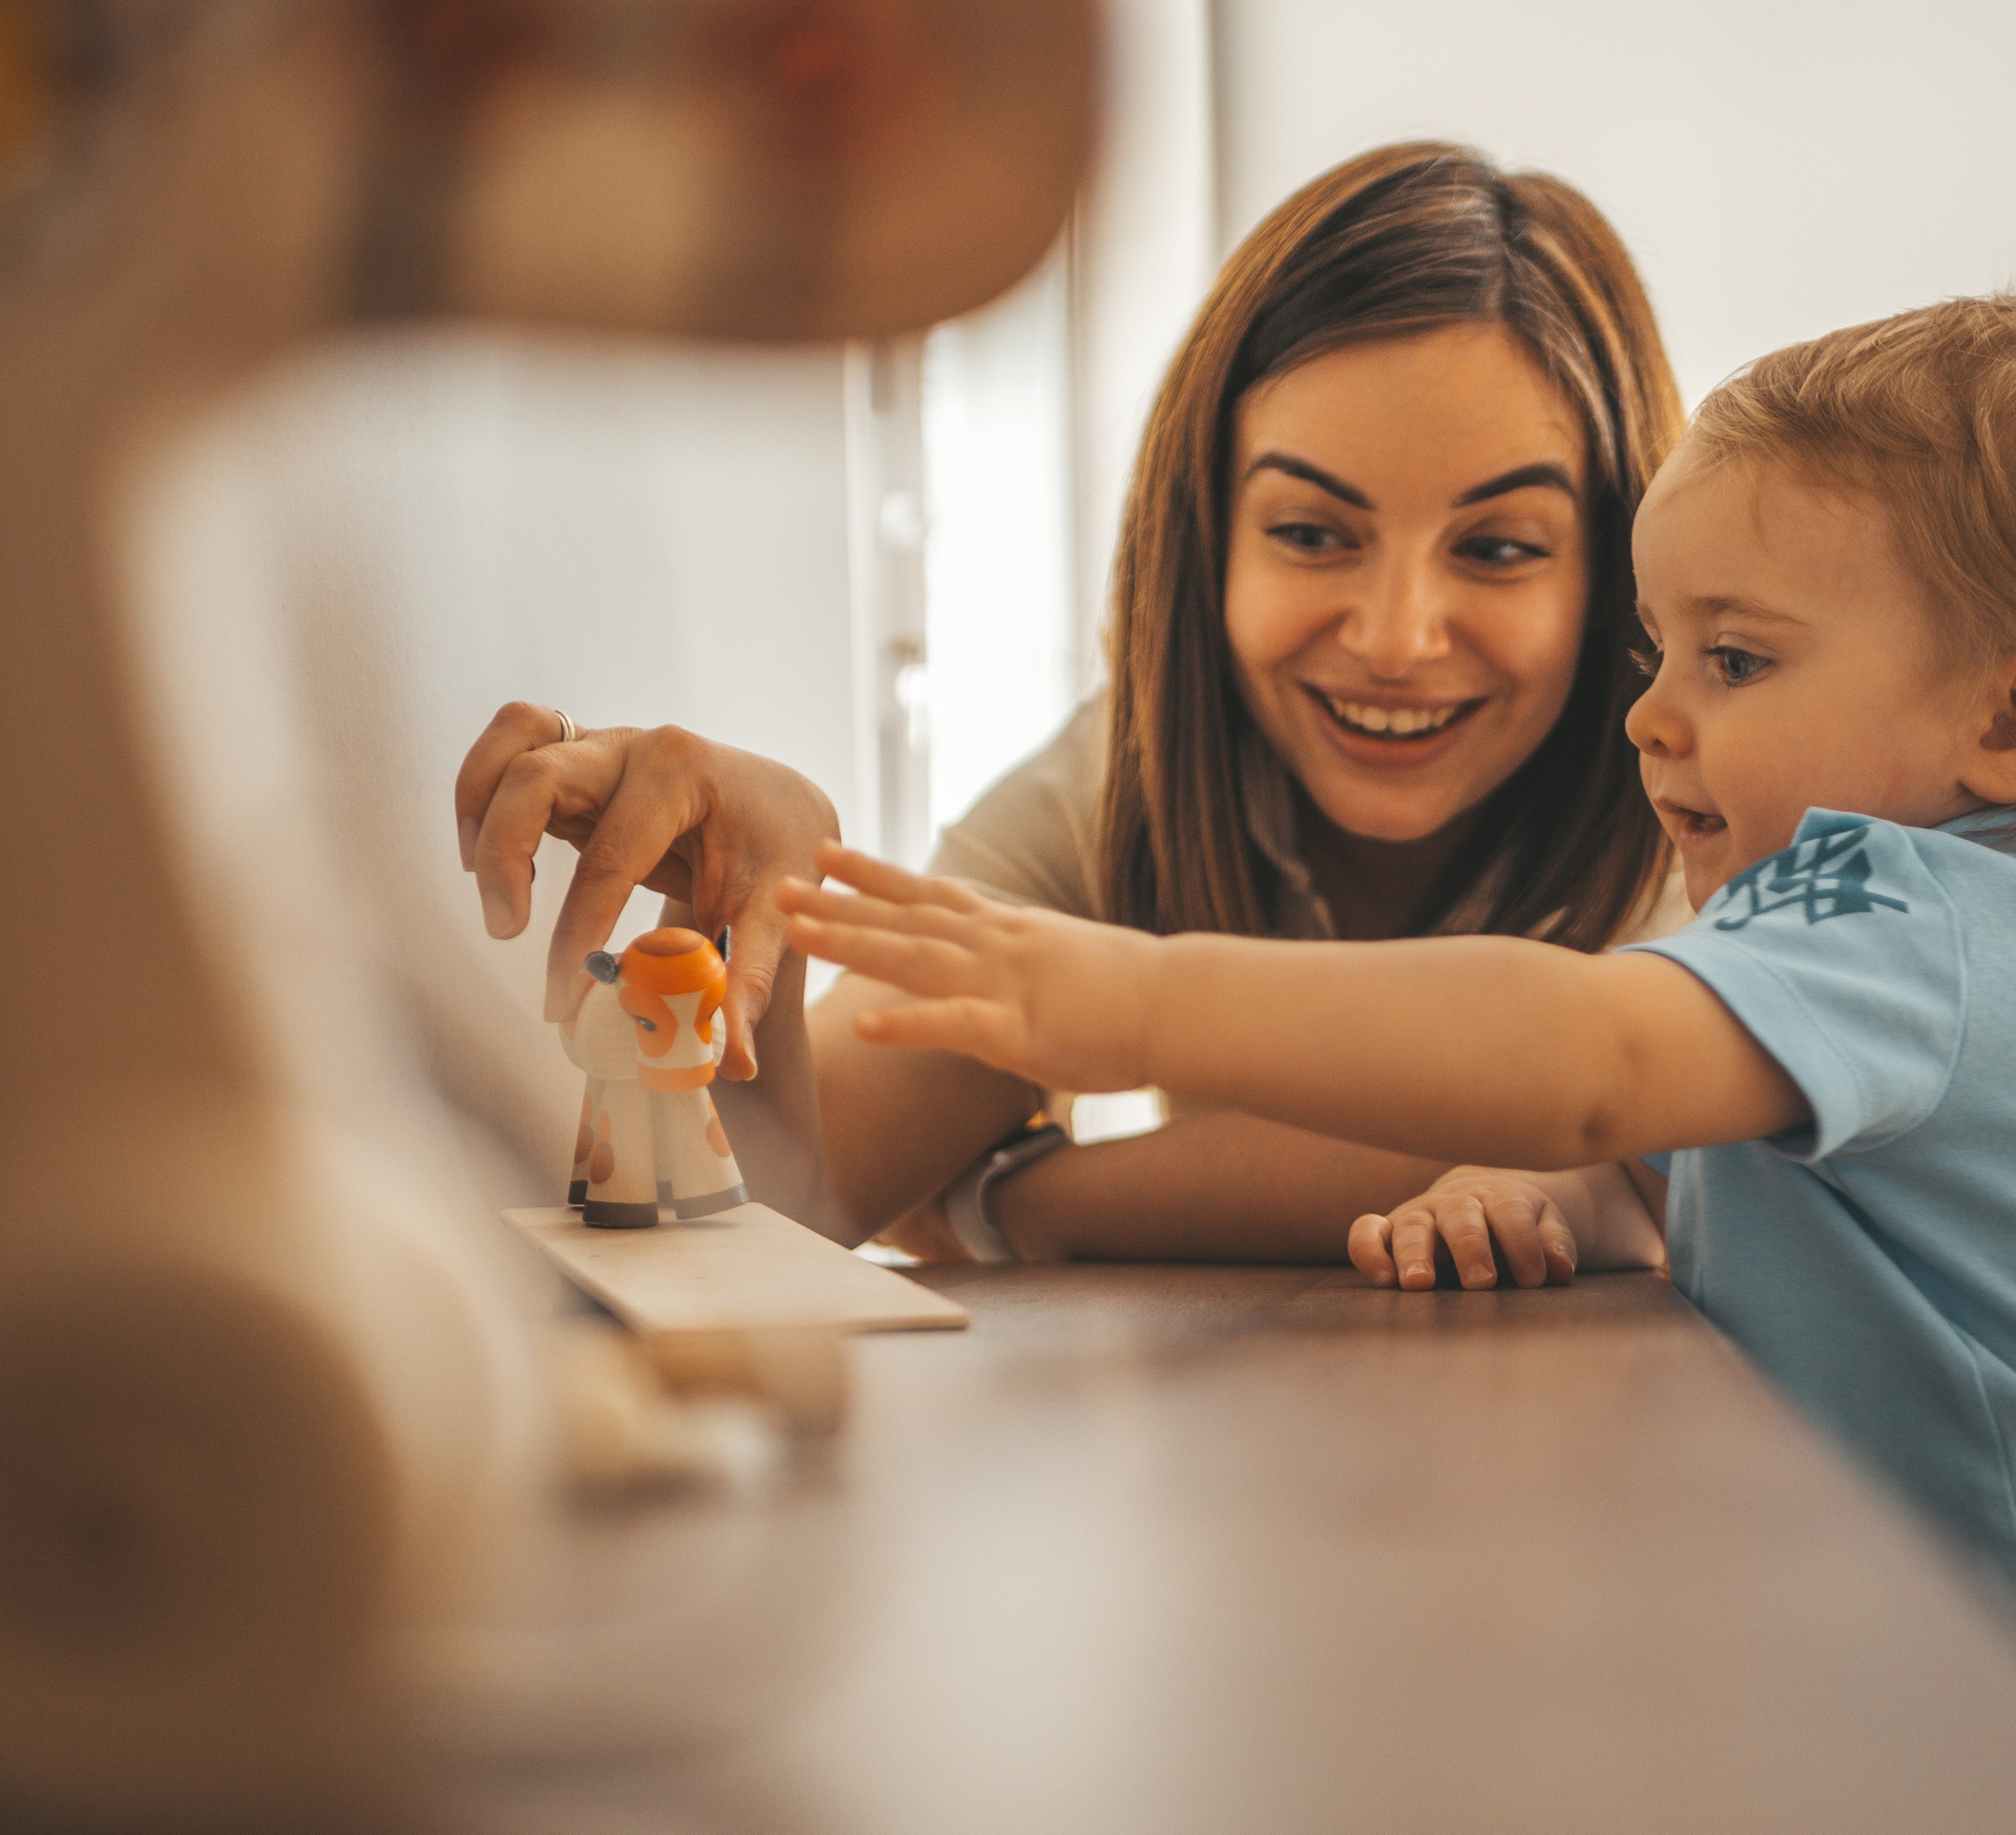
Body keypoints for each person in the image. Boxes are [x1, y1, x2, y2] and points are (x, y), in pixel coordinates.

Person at [768, 292, 2016, 1825]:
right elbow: (1625, 1161)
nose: (1652, 721)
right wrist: (1531, 1186)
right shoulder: (1831, 958)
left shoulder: (1910, 917)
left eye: (1736, 662)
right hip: (1985, 1708)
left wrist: (1132, 1006)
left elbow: (1591, 1054)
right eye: (1655, 657)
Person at [455, 142, 1688, 1267]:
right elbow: (800, 1203)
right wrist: (737, 921)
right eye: (1313, 533)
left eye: (1500, 550)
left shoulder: (1705, 794)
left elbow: (1614, 1108)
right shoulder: (1122, 784)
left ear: (1617, 569)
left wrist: (1008, 1201)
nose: (1396, 638)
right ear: (1205, 543)